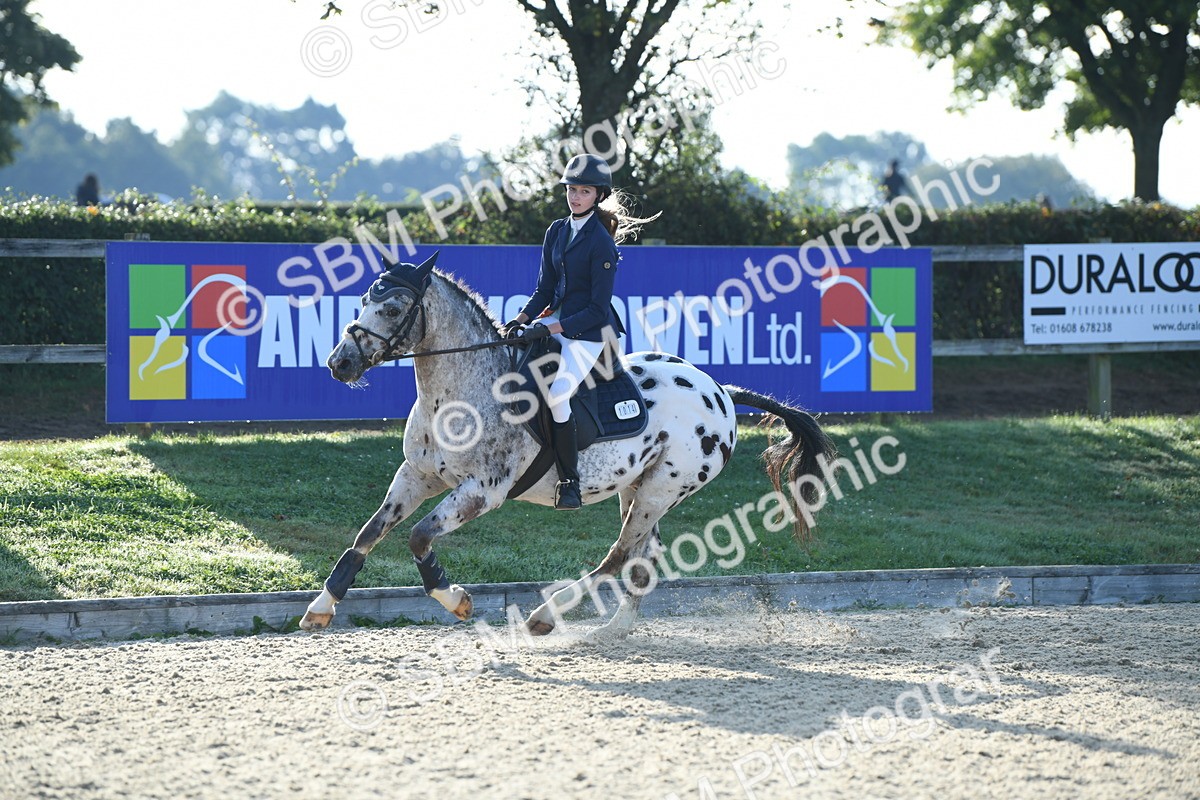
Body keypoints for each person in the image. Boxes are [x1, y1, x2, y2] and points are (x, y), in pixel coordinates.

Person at [499, 153, 656, 510]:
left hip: (589, 335)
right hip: (555, 322)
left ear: (598, 195)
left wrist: (550, 327)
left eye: (584, 191)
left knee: (557, 396)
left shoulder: (602, 243)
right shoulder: (556, 230)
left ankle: (570, 482)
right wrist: (523, 319)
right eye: (572, 189)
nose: (575, 197)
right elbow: (544, 288)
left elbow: (597, 309)